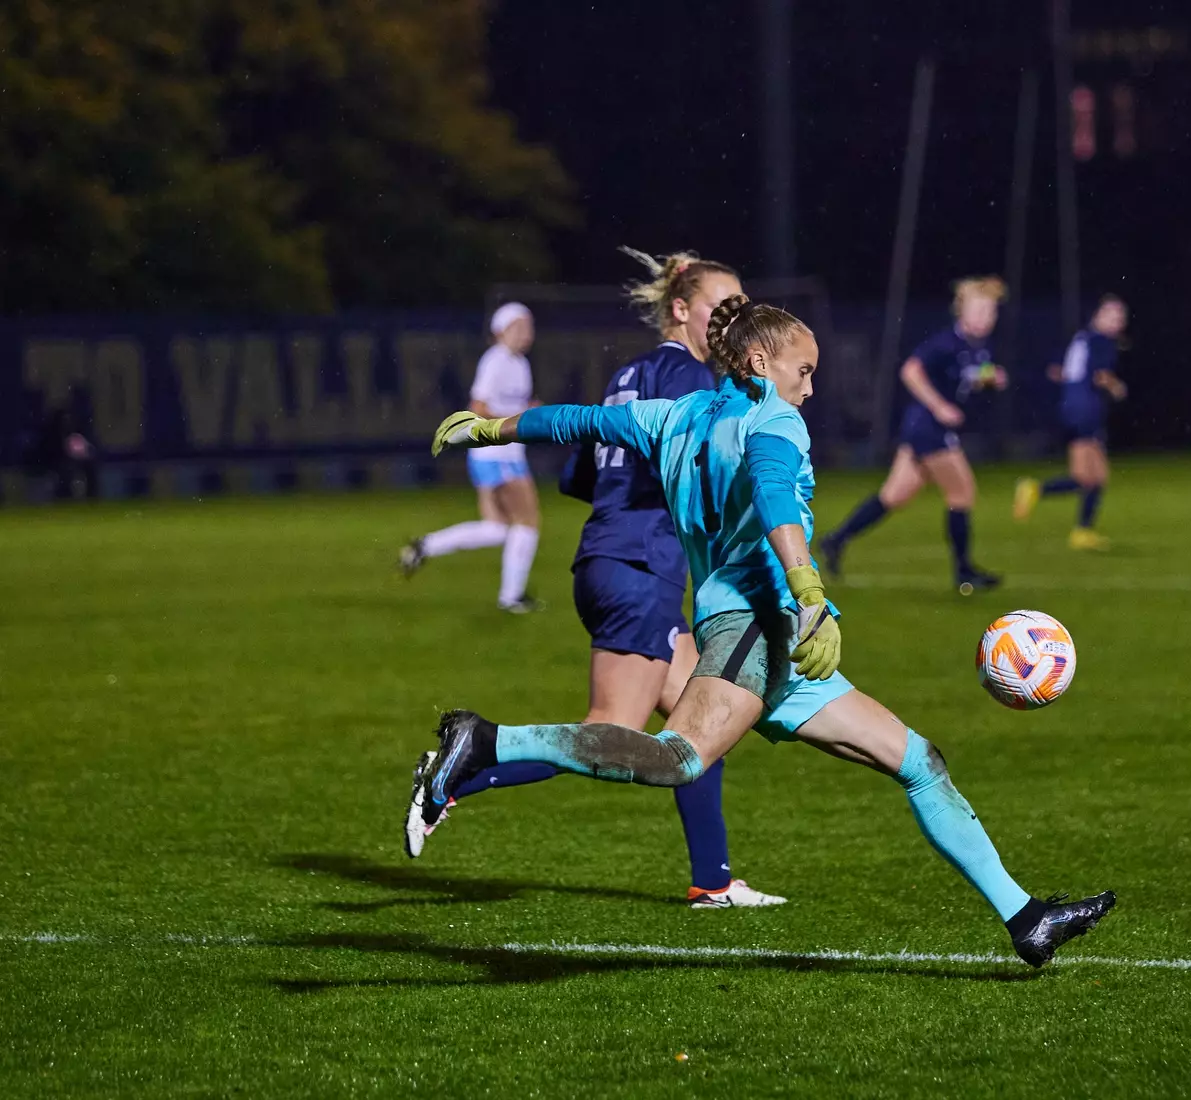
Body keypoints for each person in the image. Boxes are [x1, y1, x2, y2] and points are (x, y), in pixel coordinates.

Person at [407, 293, 1115, 967]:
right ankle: (489, 741)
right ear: (758, 365)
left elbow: (582, 420)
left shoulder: (672, 415)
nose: (809, 388)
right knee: (677, 759)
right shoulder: (773, 420)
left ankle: (1026, 919)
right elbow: (777, 498)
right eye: (802, 371)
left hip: (773, 646)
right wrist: (809, 591)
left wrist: (492, 428)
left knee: (918, 762)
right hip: (759, 624)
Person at [406, 250, 784, 909]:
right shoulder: (686, 376)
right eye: (724, 307)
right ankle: (467, 765)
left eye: (741, 306)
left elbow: (579, 478)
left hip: (614, 556)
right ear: (681, 310)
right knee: (610, 731)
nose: (735, 320)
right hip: (639, 564)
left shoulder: (627, 374)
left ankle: (713, 882)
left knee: (703, 724)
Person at [818, 277, 1008, 595]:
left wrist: (990, 379)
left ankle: (835, 540)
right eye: (980, 310)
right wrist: (940, 406)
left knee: (894, 496)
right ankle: (964, 572)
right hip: (927, 428)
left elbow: (967, 377)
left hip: (924, 429)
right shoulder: (946, 342)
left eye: (990, 311)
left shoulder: (977, 348)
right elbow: (911, 371)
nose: (986, 317)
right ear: (961, 311)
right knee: (962, 493)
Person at [399, 303, 542, 612]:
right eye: (519, 327)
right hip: (497, 453)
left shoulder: (519, 363)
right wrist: (520, 415)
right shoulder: (496, 361)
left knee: (497, 529)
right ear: (500, 331)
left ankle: (426, 546)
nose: (526, 333)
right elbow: (477, 408)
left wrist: (530, 408)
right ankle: (511, 597)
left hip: (499, 453)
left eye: (528, 327)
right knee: (528, 521)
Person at [1014, 295, 1129, 550]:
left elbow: (1056, 371)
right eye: (1112, 314)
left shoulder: (1080, 338)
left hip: (1070, 409)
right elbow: (1101, 375)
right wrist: (1117, 387)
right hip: (1086, 410)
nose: (1117, 321)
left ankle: (1048, 501)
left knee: (1088, 476)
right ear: (1097, 315)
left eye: (1120, 316)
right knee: (1094, 476)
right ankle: (1073, 523)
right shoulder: (1103, 341)